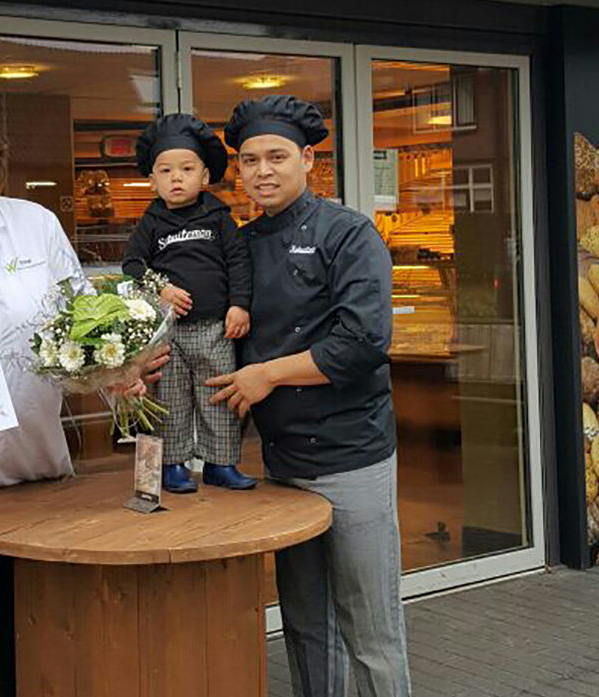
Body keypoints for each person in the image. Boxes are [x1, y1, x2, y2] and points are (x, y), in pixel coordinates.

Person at [0, 104, 164, 697]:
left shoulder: (32, 224)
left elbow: (80, 319)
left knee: (24, 642)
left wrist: (117, 371)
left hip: (29, 463)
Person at [208, 95, 412, 697]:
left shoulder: (348, 233)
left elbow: (362, 343)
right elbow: (222, 331)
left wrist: (267, 375)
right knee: (304, 625)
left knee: (370, 629)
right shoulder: (242, 243)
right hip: (283, 464)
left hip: (353, 456)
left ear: (308, 160)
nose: (262, 171)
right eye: (250, 160)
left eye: (276, 157)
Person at [122, 113, 256, 493]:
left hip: (215, 328)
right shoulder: (151, 222)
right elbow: (132, 265)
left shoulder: (218, 218)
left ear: (205, 176)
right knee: (172, 400)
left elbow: (238, 262)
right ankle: (171, 466)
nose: (176, 178)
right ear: (152, 180)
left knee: (218, 396)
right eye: (165, 171)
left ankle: (220, 463)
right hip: (169, 333)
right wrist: (161, 288)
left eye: (186, 169)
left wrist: (239, 305)